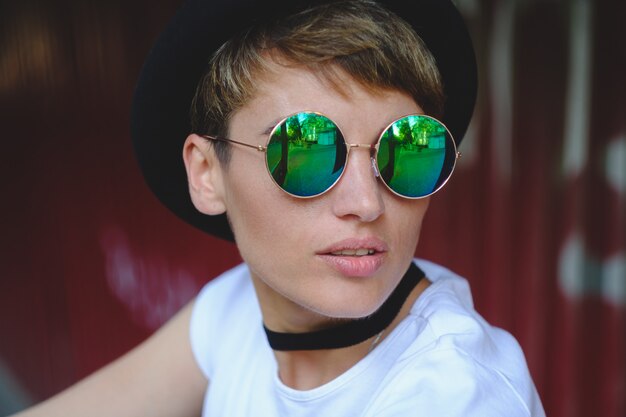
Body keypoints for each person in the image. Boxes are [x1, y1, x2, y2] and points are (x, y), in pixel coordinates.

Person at [13, 0, 546, 416]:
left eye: (407, 149)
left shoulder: (456, 395)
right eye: (307, 148)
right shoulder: (238, 309)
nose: (366, 203)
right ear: (206, 172)